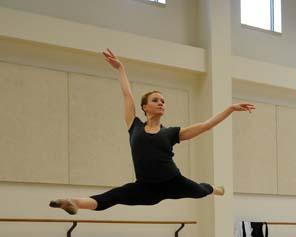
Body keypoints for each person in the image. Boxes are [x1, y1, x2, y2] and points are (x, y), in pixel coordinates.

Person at [49, 49, 254, 214]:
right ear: (145, 107)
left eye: (163, 101)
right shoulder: (134, 126)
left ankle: (215, 189)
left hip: (174, 182)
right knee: (114, 196)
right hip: (146, 188)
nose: (161, 103)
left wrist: (230, 109)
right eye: (156, 100)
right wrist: (120, 68)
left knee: (201, 191)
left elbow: (206, 125)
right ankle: (74, 202)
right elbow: (127, 95)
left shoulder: (171, 133)